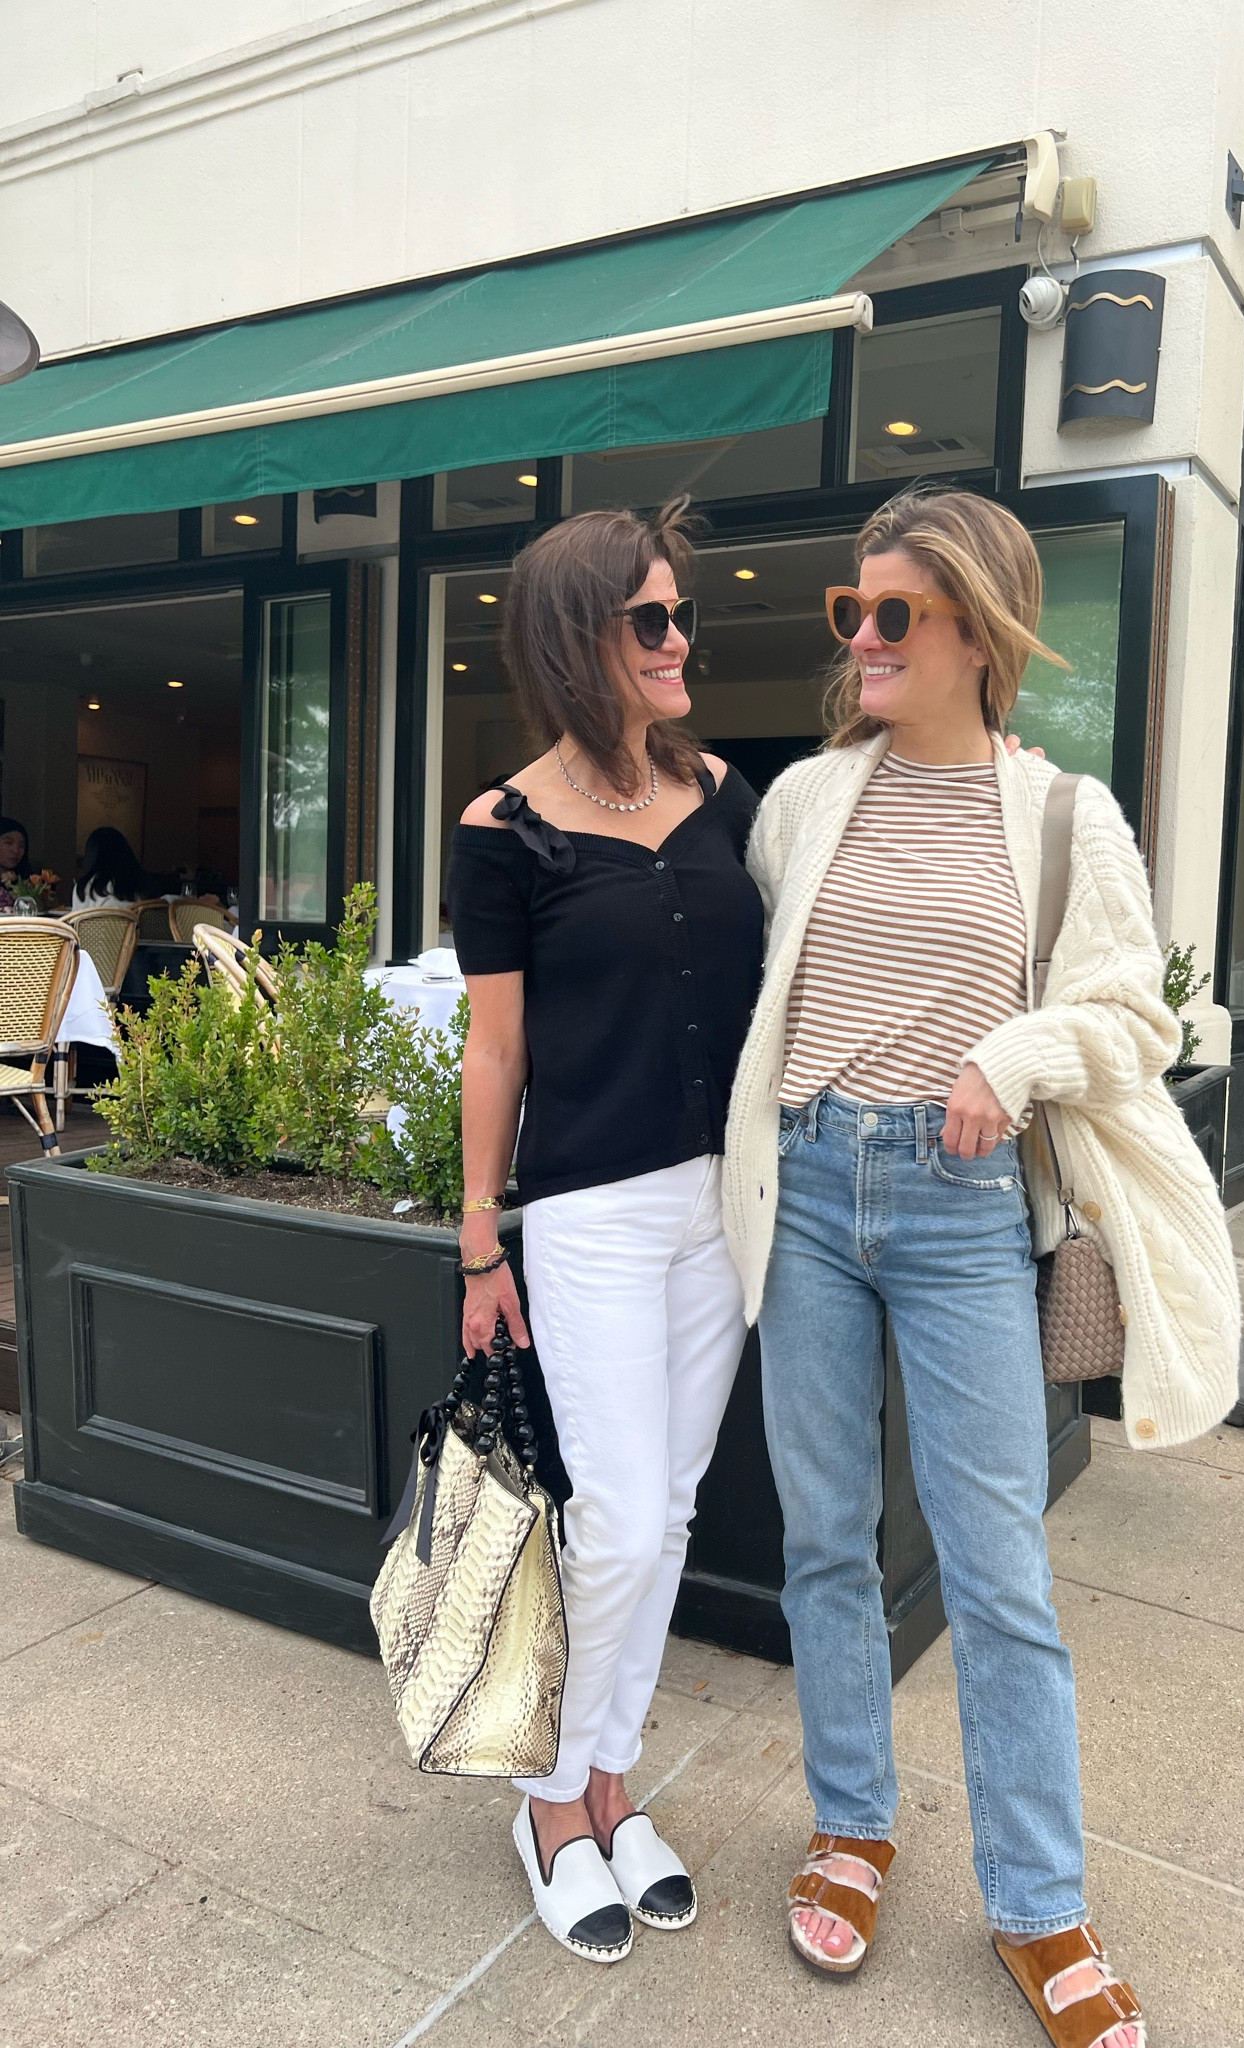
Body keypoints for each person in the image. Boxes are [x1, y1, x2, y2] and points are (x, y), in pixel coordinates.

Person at [723, 488, 1239, 2048]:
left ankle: (1040, 1904)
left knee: (997, 1569)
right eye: (851, 613)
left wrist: (1011, 1053)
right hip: (809, 1182)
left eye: (896, 616)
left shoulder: (1065, 815)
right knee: (824, 1540)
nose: (862, 640)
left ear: (979, 632)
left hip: (958, 1213)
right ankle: (854, 1823)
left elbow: (1133, 1017)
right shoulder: (805, 799)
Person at [445, 499, 764, 1966]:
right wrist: (478, 1242)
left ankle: (614, 1780)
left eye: (681, 611)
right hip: (590, 1214)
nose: (681, 635)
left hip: (726, 1206)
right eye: (651, 617)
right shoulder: (504, 829)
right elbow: (495, 1053)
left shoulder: (726, 796)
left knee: (675, 1508)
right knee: (619, 1522)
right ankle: (547, 1799)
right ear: (583, 639)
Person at [73, 826, 150, 909]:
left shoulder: (82, 888)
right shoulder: (139, 884)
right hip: (132, 921)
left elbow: (75, 920)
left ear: (91, 856)